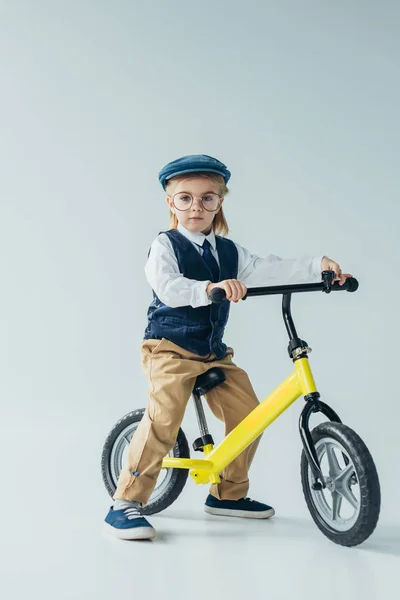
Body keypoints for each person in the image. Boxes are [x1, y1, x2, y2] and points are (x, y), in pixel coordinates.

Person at [104, 154, 352, 540]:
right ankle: (125, 501)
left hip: (212, 351)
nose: (196, 207)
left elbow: (272, 268)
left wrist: (320, 267)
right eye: (185, 198)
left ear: (220, 202)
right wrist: (209, 289)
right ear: (171, 204)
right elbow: (168, 285)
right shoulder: (165, 245)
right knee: (165, 418)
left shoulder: (230, 252)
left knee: (249, 413)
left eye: (207, 198)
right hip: (169, 349)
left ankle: (227, 495)